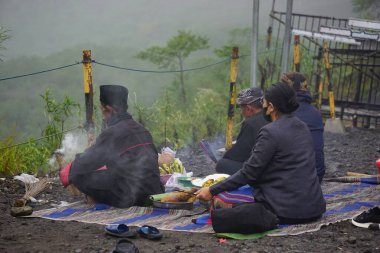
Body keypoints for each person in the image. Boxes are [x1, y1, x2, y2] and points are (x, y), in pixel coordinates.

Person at [196, 83, 326, 233]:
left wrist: (211, 190)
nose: (262, 106)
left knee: (223, 199)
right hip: (314, 209)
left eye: (264, 102)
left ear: (271, 107)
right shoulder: (302, 126)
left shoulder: (270, 132)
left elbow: (248, 172)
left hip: (286, 211)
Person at [59, 84, 164, 208]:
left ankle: (95, 200)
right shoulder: (142, 129)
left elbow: (87, 162)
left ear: (107, 109)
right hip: (155, 191)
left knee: (80, 176)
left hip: (133, 196)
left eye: (102, 108)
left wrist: (67, 172)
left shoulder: (112, 133)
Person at [282, 72, 325, 182]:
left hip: (286, 179)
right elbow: (318, 151)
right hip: (314, 177)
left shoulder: (282, 112)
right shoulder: (315, 113)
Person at [215, 87, 268, 175]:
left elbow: (238, 155)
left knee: (221, 164)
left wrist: (226, 156)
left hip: (262, 171)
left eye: (241, 108)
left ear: (248, 108)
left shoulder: (251, 123)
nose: (241, 112)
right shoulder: (270, 115)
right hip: (274, 164)